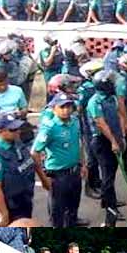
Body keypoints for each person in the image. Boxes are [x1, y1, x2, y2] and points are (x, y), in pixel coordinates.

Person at [0, 113, 44, 226]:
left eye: (17, 128)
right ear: (0, 132)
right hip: (9, 209)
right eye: (12, 129)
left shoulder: (19, 146)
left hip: (24, 203)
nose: (17, 131)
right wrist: (3, 214)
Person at [32, 93, 84, 227]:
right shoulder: (50, 127)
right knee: (57, 212)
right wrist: (43, 177)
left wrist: (83, 165)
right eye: (62, 107)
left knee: (73, 207)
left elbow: (79, 143)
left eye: (68, 106)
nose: (66, 110)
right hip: (58, 175)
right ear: (54, 108)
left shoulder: (75, 122)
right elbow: (35, 152)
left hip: (74, 171)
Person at [86, 70, 124, 223]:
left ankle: (107, 201)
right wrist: (113, 141)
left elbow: (119, 115)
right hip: (102, 141)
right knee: (107, 176)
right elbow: (101, 124)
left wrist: (120, 137)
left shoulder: (112, 98)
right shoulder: (95, 102)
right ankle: (111, 211)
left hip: (114, 138)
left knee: (112, 174)